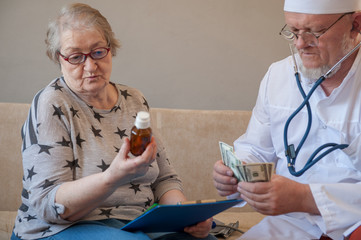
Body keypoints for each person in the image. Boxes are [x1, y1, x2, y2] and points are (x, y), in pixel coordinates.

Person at [11, 3, 215, 240]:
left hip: (133, 224)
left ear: (110, 49)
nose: (90, 66)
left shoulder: (134, 100)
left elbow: (165, 179)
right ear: (60, 58)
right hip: (57, 229)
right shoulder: (52, 104)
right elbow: (47, 205)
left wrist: (186, 217)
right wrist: (113, 177)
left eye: (98, 51)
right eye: (76, 57)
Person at [213, 0, 361, 239]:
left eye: (315, 32)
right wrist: (234, 173)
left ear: (356, 24)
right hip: (292, 225)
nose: (301, 44)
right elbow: (255, 149)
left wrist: (305, 198)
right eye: (293, 32)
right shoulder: (278, 76)